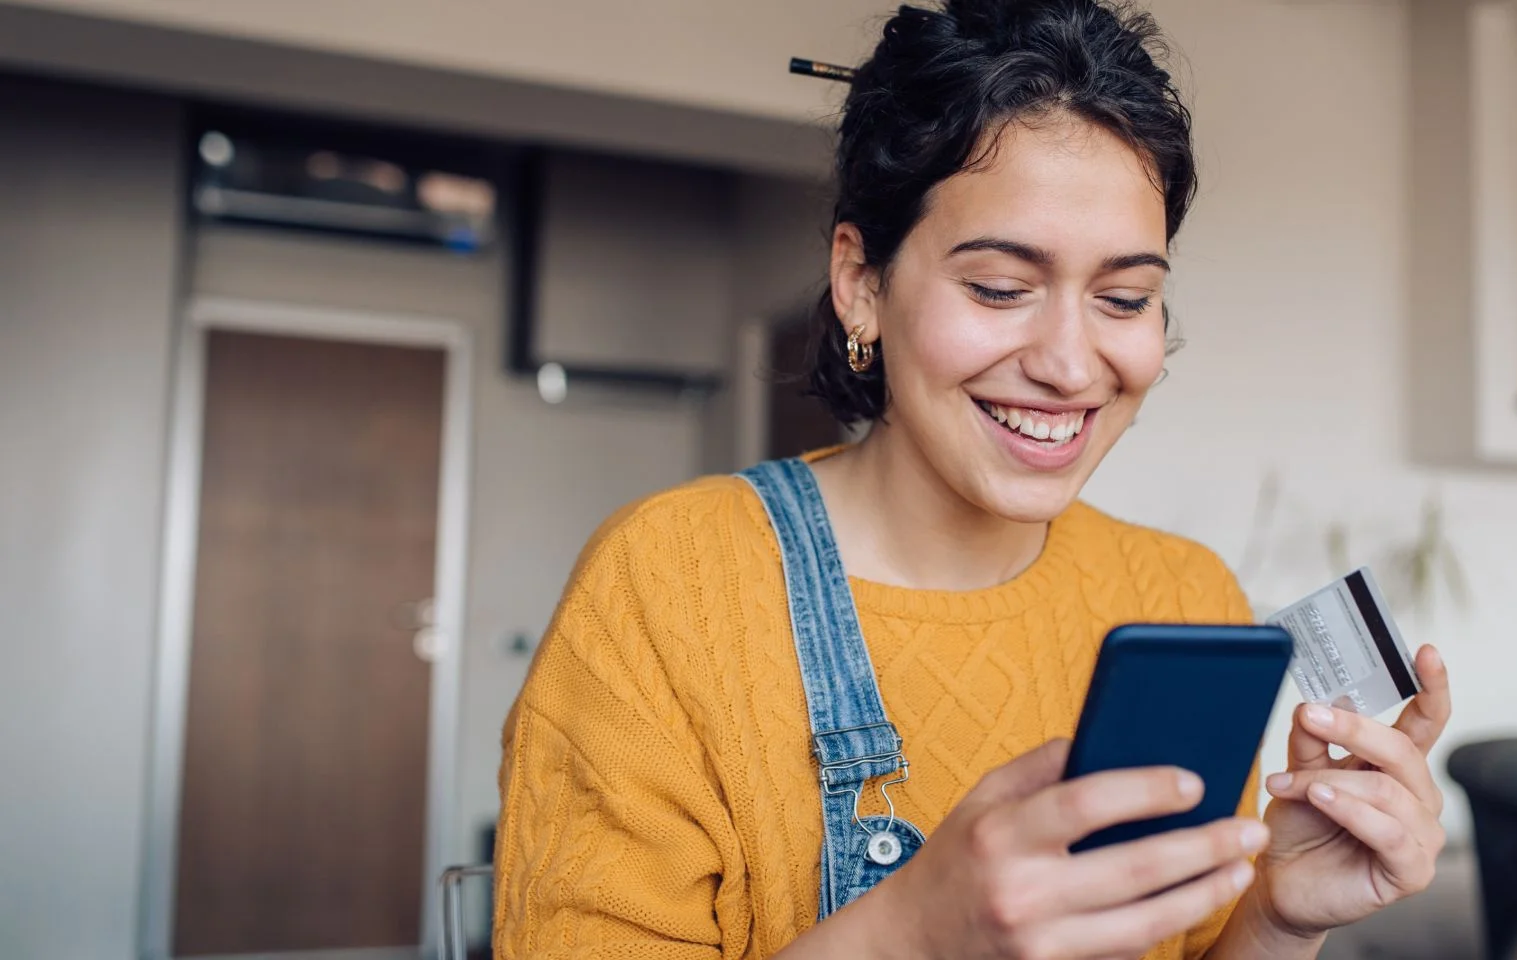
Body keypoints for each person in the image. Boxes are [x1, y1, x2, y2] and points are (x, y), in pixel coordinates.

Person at [493, 2, 1453, 958]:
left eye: (1125, 298)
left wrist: (1281, 918)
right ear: (861, 281)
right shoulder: (670, 585)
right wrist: (909, 934)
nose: (1072, 366)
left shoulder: (1181, 596)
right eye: (1000, 288)